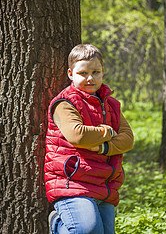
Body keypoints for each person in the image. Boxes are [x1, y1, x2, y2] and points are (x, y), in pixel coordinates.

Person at [44, 44, 134, 234]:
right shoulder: (65, 102)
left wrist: (102, 148)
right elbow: (78, 135)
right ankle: (57, 225)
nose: (90, 78)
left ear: (103, 72)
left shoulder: (111, 104)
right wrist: (108, 132)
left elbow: (127, 139)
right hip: (73, 182)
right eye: (83, 73)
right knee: (88, 230)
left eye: (96, 72)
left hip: (104, 182)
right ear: (70, 73)